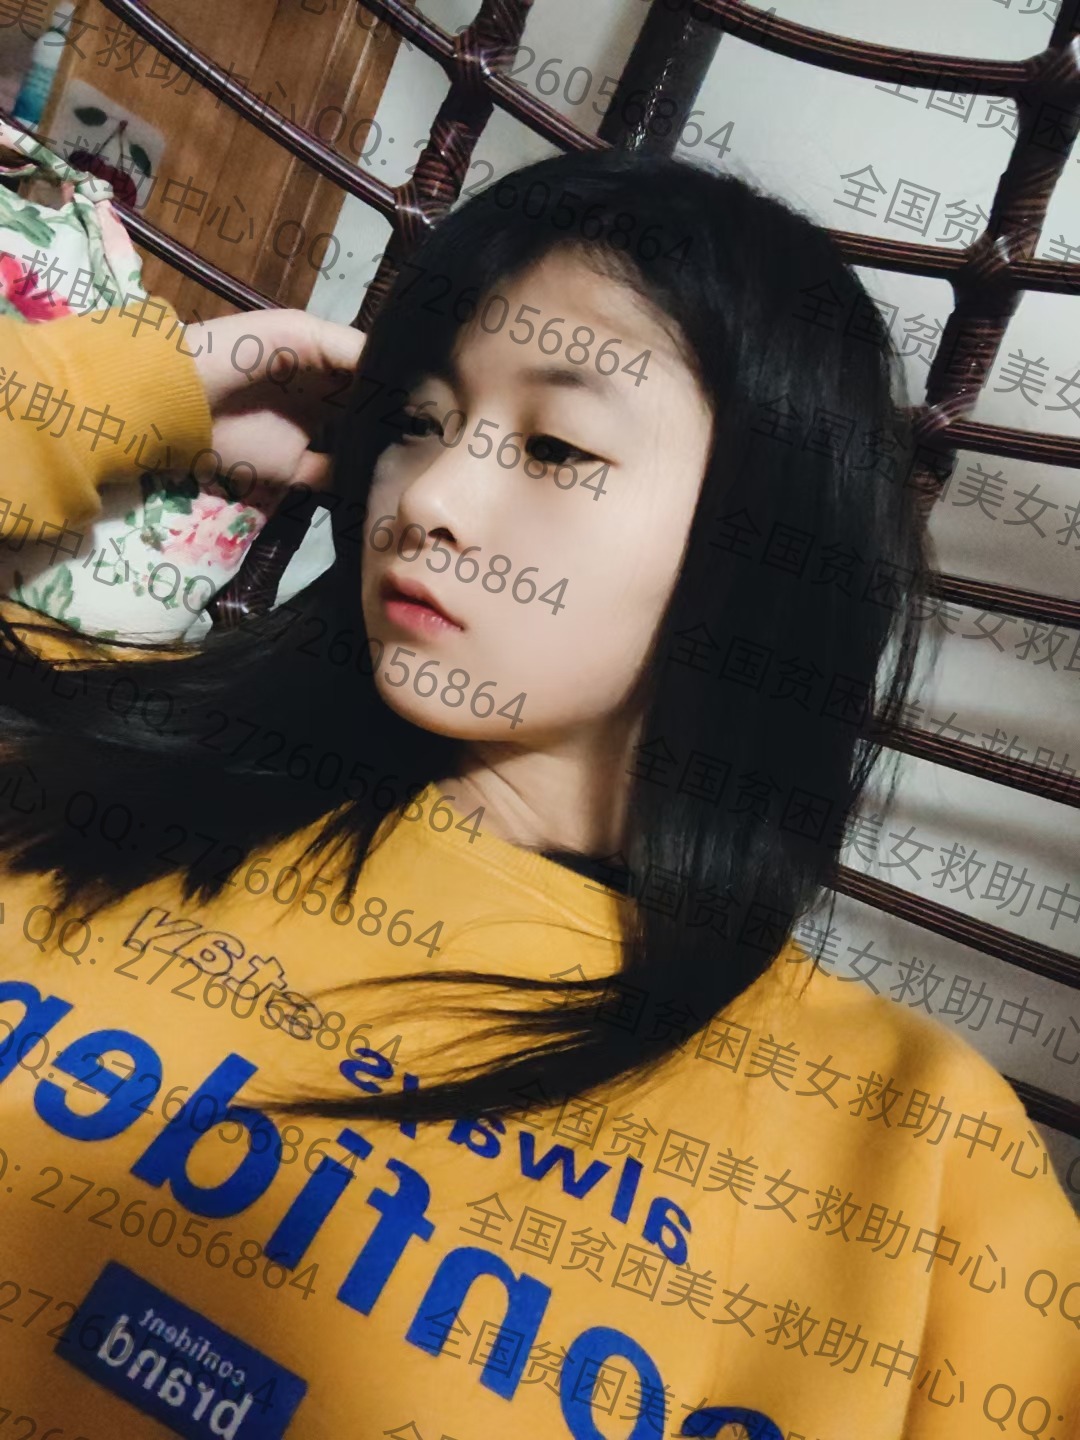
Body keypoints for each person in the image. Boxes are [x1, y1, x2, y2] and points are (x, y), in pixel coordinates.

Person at [0, 148, 1075, 1440]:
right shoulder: (97, 769)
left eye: (557, 446)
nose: (431, 499)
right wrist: (142, 387)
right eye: (417, 421)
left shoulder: (917, 1149)